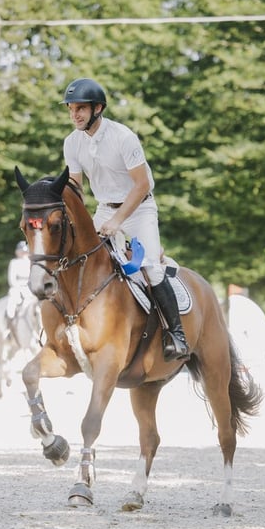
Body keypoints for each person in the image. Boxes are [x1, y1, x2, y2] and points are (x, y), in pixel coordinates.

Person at [61, 77, 189, 361]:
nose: (74, 115)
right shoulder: (71, 143)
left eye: (80, 108)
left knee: (151, 269)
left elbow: (141, 184)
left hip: (139, 207)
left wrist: (119, 221)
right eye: (70, 109)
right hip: (105, 208)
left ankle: (176, 335)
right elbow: (75, 188)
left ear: (98, 108)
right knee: (81, 259)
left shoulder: (124, 137)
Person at [6, 241, 32, 319]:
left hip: (30, 286)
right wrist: (19, 286)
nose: (23, 253)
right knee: (13, 298)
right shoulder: (14, 262)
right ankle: (10, 319)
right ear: (17, 252)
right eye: (21, 251)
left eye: (25, 251)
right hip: (17, 286)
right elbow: (11, 279)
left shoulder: (31, 263)